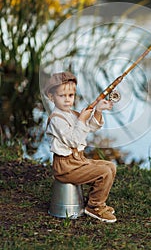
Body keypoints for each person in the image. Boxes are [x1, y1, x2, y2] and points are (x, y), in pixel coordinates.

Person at [44, 71, 117, 223]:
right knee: (103, 172)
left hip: (78, 162)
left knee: (110, 166)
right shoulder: (56, 120)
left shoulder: (71, 114)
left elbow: (90, 127)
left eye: (70, 95)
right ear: (51, 97)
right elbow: (73, 140)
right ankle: (95, 206)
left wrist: (98, 110)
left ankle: (94, 200)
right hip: (66, 167)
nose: (67, 100)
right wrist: (82, 120)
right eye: (62, 96)